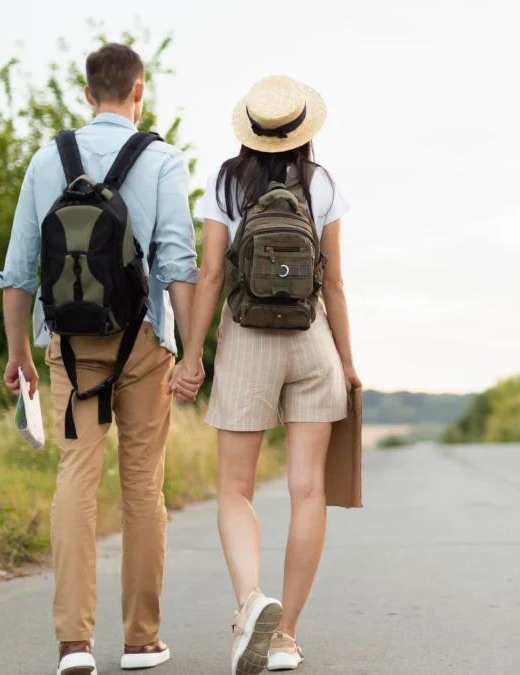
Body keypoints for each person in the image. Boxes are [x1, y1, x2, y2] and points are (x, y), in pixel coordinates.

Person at [0, 43, 200, 675]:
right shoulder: (162, 160)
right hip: (144, 341)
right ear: (140, 90)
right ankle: (141, 641)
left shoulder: (46, 159)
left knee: (76, 479)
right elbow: (178, 264)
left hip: (70, 345)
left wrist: (19, 353)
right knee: (142, 487)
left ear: (87, 94)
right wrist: (190, 351)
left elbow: (18, 268)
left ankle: (73, 644)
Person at [171, 74, 360, 675]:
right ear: (303, 130)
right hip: (312, 341)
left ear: (249, 130)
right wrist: (347, 363)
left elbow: (209, 275)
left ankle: (251, 603)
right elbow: (334, 282)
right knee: (309, 490)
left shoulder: (225, 181)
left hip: (248, 339)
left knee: (235, 489)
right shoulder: (322, 182)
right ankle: (285, 637)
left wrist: (192, 356)